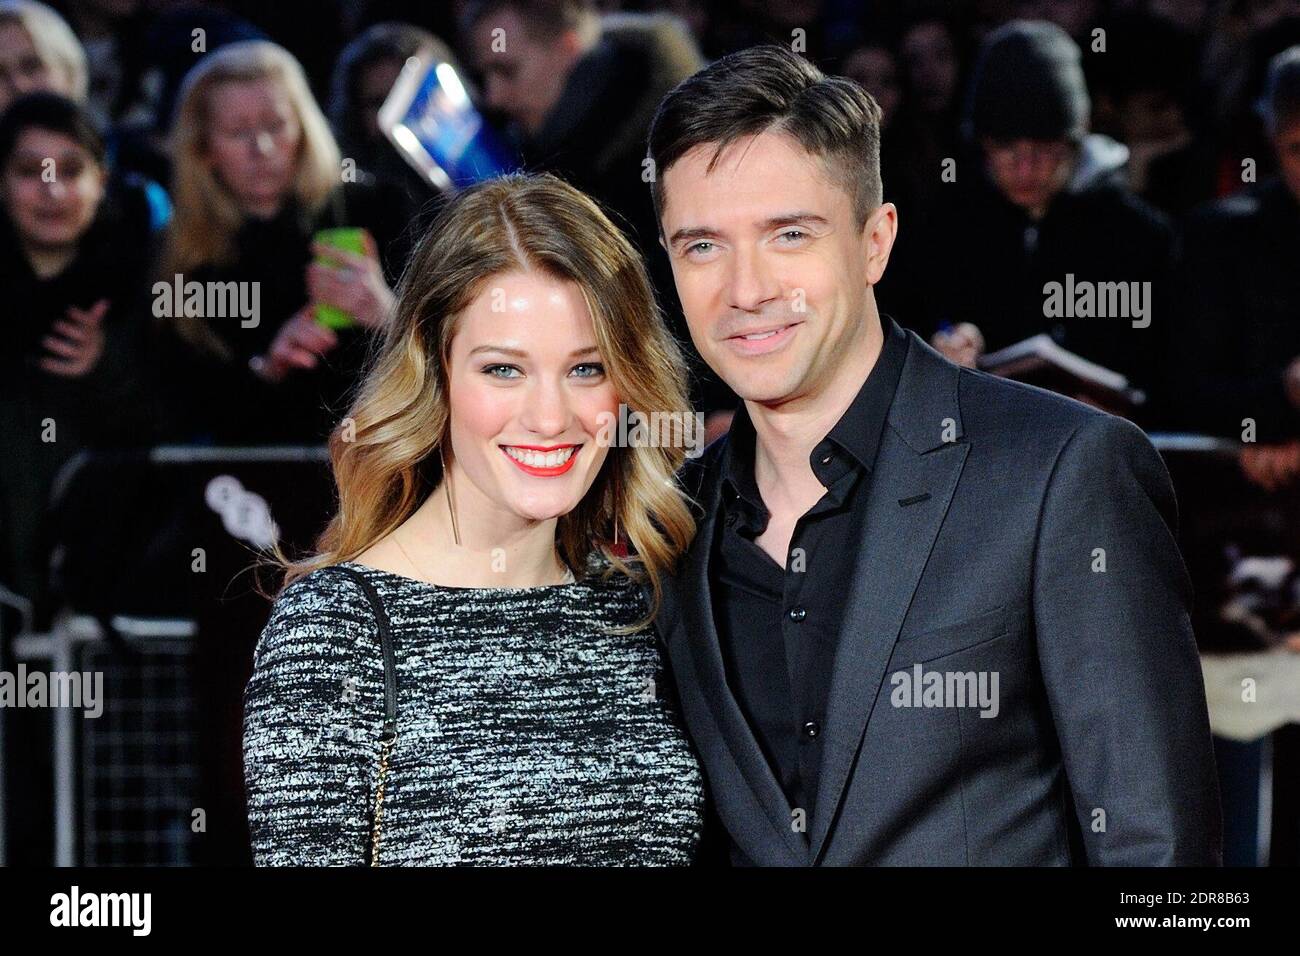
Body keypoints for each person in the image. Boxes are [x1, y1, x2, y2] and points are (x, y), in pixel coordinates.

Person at [645, 43, 1222, 865]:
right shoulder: (670, 526)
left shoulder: (1060, 473)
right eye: (702, 245)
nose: (746, 289)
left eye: (789, 235)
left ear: (874, 242)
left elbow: (1158, 859)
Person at [242, 172, 707, 865]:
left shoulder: (640, 603)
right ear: (437, 374)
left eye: (585, 369)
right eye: (503, 371)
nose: (550, 418)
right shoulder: (334, 631)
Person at [882, 20, 1175, 421]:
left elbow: (1173, 366)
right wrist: (941, 347)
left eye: (1043, 147)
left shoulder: (1139, 235)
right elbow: (902, 327)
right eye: (1005, 147)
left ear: (1076, 140)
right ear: (982, 143)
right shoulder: (947, 225)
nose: (1025, 166)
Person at [154, 39, 413, 444]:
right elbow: (178, 414)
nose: (263, 149)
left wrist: (385, 313)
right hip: (249, 484)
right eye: (238, 133)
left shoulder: (374, 209)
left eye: (276, 125)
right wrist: (268, 367)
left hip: (382, 462)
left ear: (303, 127)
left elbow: (453, 357)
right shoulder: (183, 257)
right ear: (203, 150)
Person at [0, 92, 157, 615]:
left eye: (71, 170)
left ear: (103, 180)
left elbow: (170, 431)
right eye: (30, 171)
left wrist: (107, 366)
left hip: (110, 602)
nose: (52, 191)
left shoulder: (149, 285)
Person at [1173, 44, 1300, 491]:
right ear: (1271, 142)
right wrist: (1278, 396)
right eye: (1297, 149)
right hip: (1241, 498)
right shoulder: (1222, 236)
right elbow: (1184, 393)